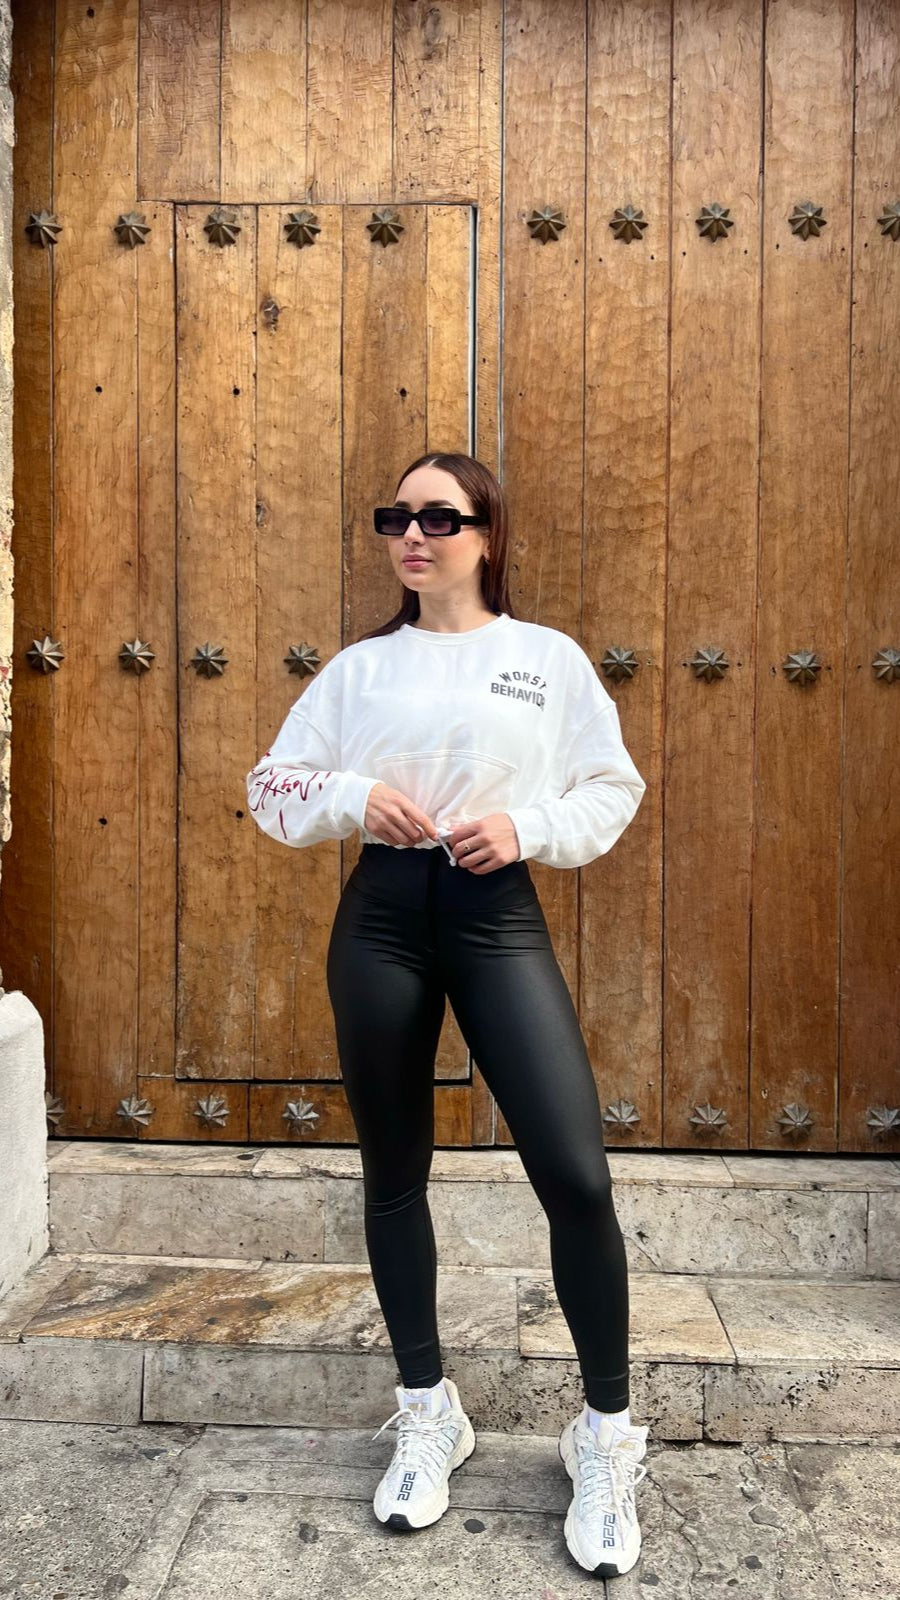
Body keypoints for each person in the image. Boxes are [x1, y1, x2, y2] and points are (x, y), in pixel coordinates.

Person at [246, 452, 650, 1578]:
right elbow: (270, 783)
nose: (413, 535)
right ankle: (428, 1410)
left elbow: (611, 787)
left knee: (575, 1173)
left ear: (486, 533)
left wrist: (526, 827)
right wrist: (350, 796)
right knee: (393, 1173)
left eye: (438, 517)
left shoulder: (545, 660)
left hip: (495, 916)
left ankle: (605, 1434)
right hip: (380, 919)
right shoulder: (361, 670)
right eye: (396, 518)